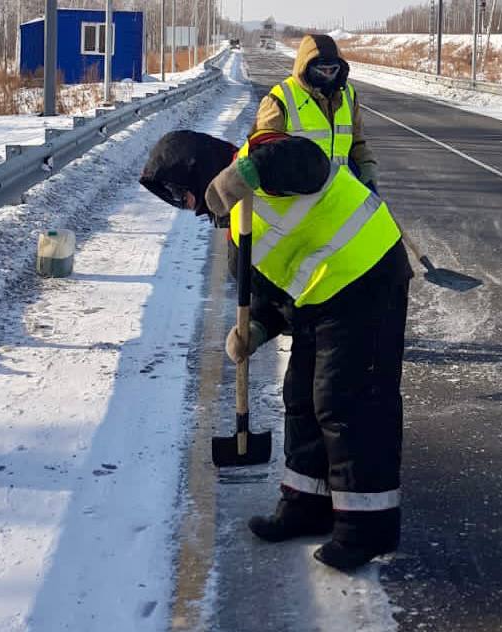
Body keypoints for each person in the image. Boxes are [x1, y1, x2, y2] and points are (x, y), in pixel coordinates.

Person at [140, 128, 412, 571]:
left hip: (369, 277)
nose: (186, 205)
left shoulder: (263, 155)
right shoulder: (236, 236)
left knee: (348, 403)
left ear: (198, 169)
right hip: (320, 300)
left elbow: (308, 162)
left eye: (180, 193)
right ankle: (307, 504)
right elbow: (278, 293)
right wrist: (261, 327)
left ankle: (366, 529)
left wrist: (248, 172)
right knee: (302, 399)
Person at [256, 34, 379, 191]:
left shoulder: (347, 95)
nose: (327, 75)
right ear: (306, 67)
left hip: (340, 191)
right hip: (298, 196)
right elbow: (262, 151)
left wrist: (366, 164)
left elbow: (357, 141)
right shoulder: (281, 98)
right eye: (321, 70)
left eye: (332, 70)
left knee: (378, 213)